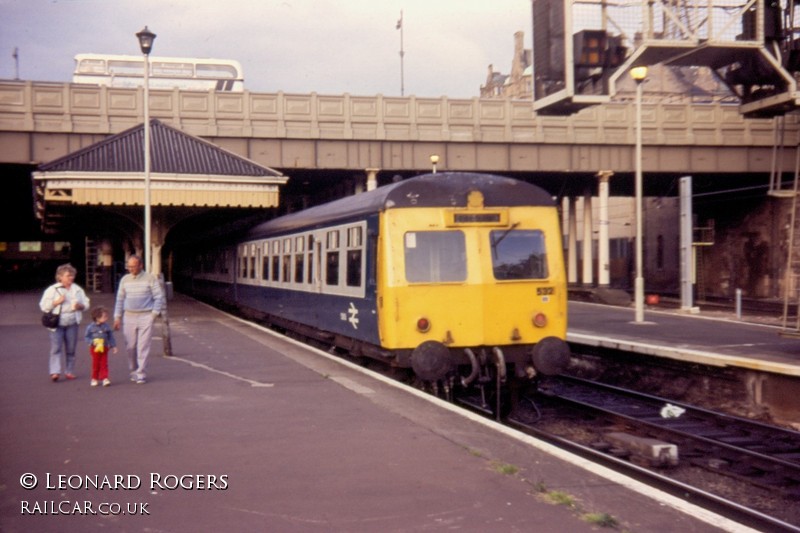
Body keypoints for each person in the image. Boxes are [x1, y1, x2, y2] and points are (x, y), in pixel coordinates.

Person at [113, 255, 165, 384]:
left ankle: (141, 372)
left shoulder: (150, 279)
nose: (130, 269)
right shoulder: (124, 280)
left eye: (133, 266)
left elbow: (159, 297)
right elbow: (120, 299)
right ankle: (133, 369)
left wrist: (153, 314)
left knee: (143, 345)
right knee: (130, 346)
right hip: (129, 316)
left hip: (146, 316)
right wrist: (117, 317)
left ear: (140, 265)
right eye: (128, 266)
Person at [39, 264, 90, 382]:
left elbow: (86, 303)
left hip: (72, 322)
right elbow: (43, 306)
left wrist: (80, 306)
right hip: (57, 323)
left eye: (72, 275)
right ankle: (55, 372)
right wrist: (56, 302)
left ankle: (69, 371)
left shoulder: (77, 289)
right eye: (68, 275)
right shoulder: (52, 290)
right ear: (60, 277)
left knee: (71, 349)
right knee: (56, 348)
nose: (71, 278)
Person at [84, 306, 117, 387]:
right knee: (95, 363)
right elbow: (86, 337)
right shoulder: (90, 327)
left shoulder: (106, 326)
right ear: (97, 318)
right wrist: (92, 342)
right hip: (94, 348)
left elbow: (110, 336)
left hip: (105, 347)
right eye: (104, 317)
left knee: (104, 363)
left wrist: (113, 346)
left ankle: (104, 378)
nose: (106, 318)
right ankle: (94, 378)